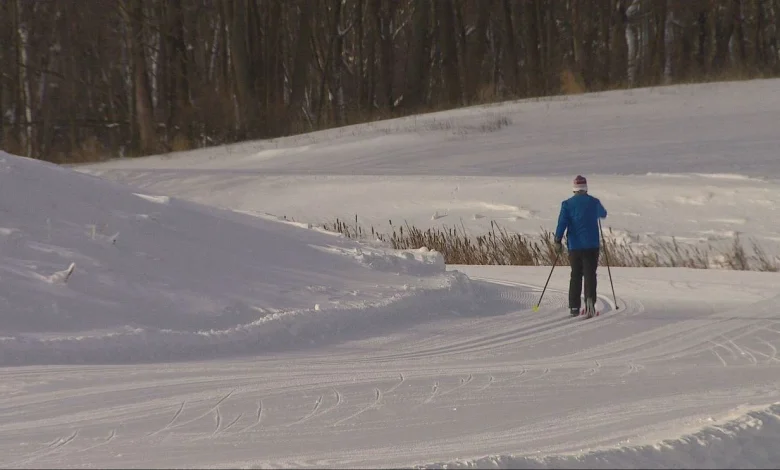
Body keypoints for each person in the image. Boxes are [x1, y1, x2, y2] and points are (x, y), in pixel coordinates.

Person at [554, 175, 607, 317]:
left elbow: (562, 223)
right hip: (592, 245)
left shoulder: (567, 204)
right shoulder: (594, 202)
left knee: (576, 275)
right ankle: (590, 300)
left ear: (574, 188)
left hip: (574, 246)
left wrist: (557, 240)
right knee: (590, 274)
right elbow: (603, 214)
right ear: (585, 187)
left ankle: (574, 306)